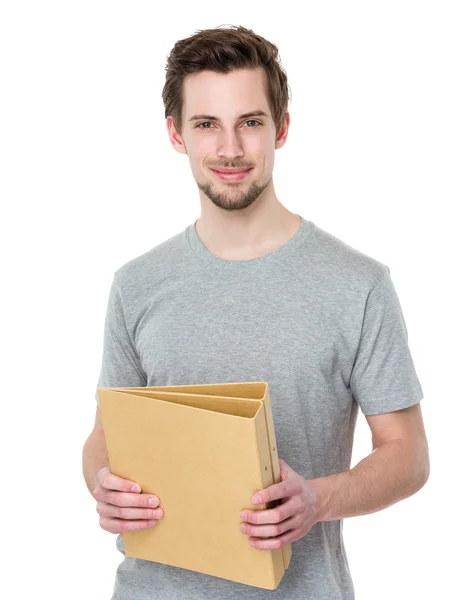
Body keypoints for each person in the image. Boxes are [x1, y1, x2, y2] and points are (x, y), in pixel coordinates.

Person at [82, 24, 429, 600]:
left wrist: (318, 500)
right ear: (176, 134)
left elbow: (409, 454)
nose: (230, 150)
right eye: (206, 125)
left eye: (250, 122)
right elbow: (103, 437)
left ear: (281, 128)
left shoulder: (358, 284)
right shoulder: (135, 286)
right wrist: (101, 481)